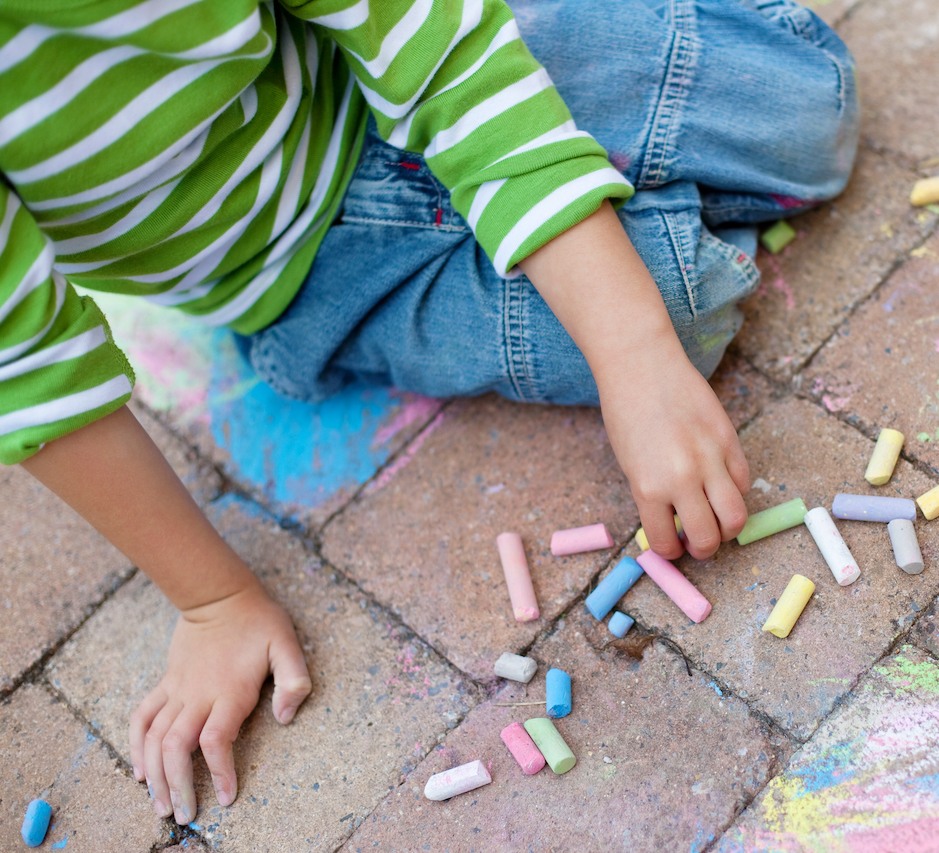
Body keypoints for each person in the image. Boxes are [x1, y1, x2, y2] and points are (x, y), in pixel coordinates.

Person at [1, 0, 856, 826]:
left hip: (392, 81)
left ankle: (590, 205)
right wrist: (213, 601)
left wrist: (632, 356)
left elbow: (440, 53)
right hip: (317, 274)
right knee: (684, 298)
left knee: (807, 110)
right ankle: (602, 213)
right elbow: (31, 368)